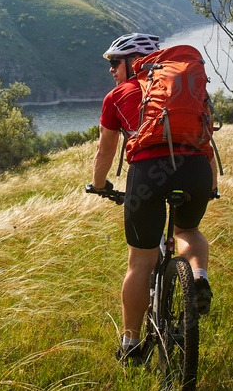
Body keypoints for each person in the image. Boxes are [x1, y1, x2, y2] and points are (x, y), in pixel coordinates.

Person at [88, 33, 216, 366]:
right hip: (196, 170)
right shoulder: (183, 92)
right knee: (187, 232)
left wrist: (99, 185)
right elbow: (204, 142)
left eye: (115, 62)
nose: (112, 70)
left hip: (148, 173)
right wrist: (211, 184)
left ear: (133, 61)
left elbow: (105, 151)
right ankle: (199, 279)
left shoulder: (119, 95)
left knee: (140, 261)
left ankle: (131, 344)